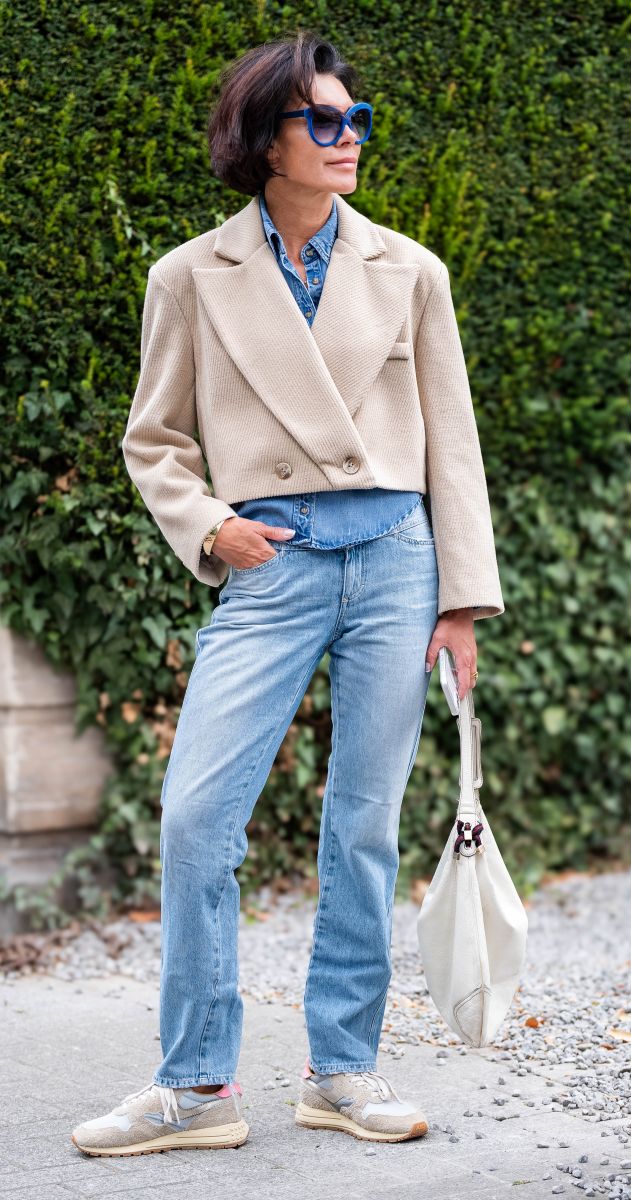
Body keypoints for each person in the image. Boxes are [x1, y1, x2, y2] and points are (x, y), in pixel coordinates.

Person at [71, 30, 504, 1156]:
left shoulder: (411, 270)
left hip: (398, 561)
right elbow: (153, 439)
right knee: (196, 818)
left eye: (356, 119)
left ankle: (343, 1070)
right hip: (276, 564)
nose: (347, 138)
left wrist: (461, 600)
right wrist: (210, 523)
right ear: (267, 138)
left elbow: (452, 445)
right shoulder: (190, 276)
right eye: (323, 121)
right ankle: (198, 1086)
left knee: (362, 825)